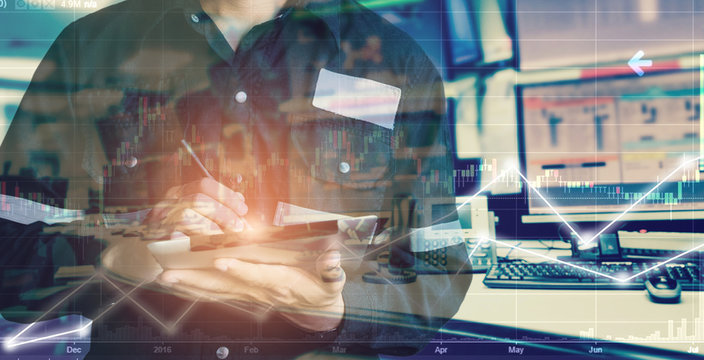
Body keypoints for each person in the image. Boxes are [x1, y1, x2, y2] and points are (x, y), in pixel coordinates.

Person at [0, 0, 471, 358]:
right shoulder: (92, 47)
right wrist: (119, 254)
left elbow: (438, 271)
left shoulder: (396, 63)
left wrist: (337, 310)